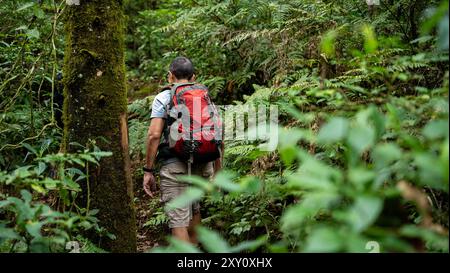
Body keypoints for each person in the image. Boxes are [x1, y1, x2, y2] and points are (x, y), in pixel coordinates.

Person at [142, 57, 223, 245]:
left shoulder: (164, 97)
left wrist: (148, 170)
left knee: (178, 222)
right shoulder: (204, 96)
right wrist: (218, 172)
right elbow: (218, 134)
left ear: (170, 76)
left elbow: (154, 135)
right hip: (203, 163)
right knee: (194, 211)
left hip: (175, 166)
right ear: (194, 76)